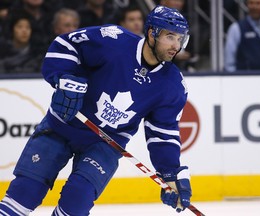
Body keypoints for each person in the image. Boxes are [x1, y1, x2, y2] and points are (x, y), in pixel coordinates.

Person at [0, 5, 192, 215]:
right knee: (26, 191)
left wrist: (170, 172)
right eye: (170, 37)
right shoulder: (113, 41)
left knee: (77, 200)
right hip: (64, 124)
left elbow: (162, 133)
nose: (176, 46)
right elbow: (66, 44)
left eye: (180, 39)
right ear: (151, 33)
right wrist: (66, 79)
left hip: (105, 144)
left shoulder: (172, 85)